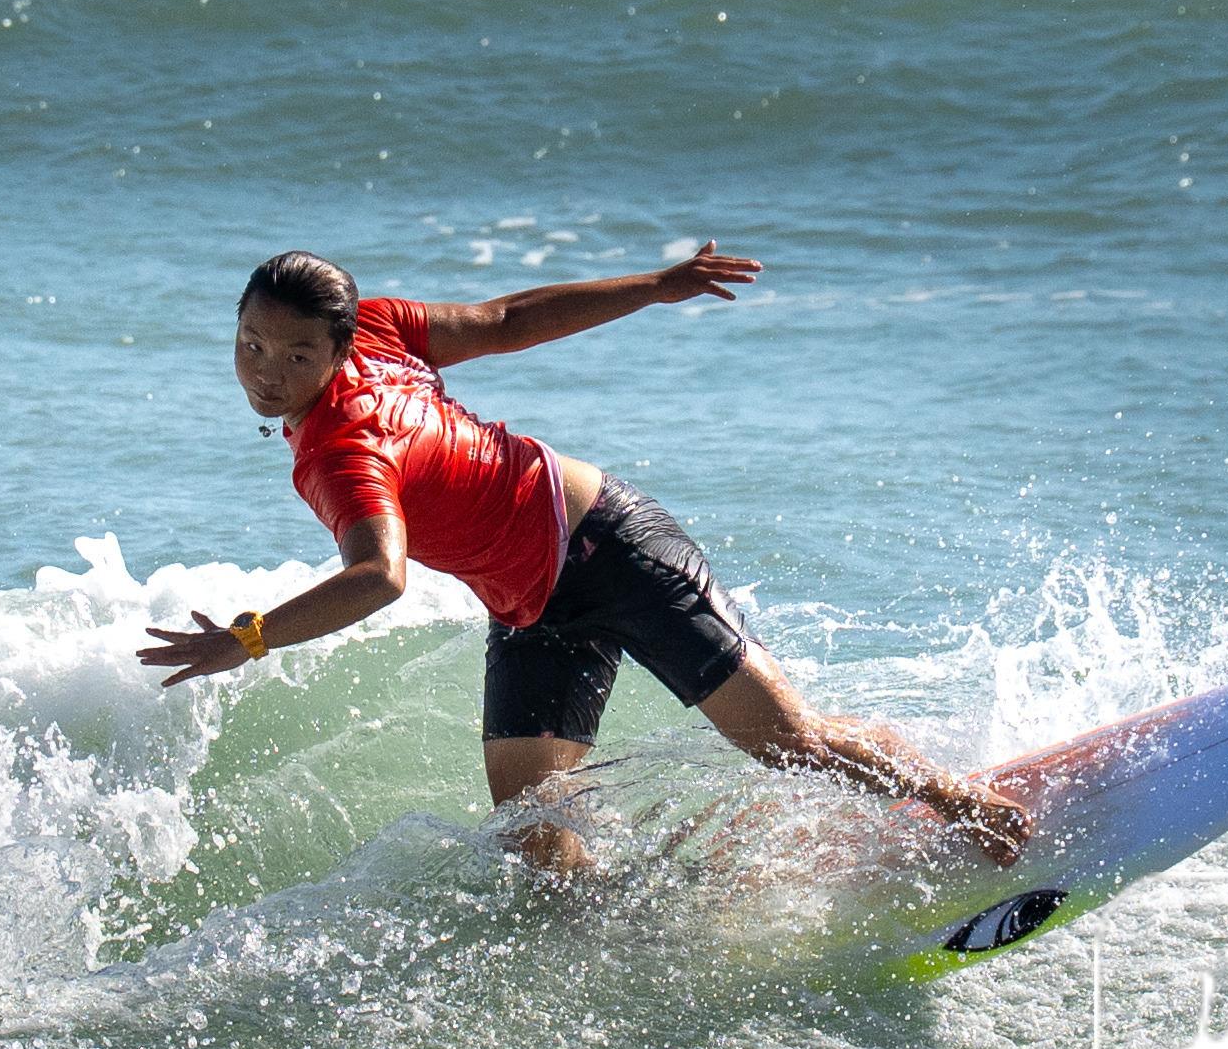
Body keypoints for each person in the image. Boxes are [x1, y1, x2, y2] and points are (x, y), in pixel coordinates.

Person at [137, 243, 1031, 879]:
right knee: (534, 836)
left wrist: (249, 638)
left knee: (787, 744)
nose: (268, 371)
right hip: (531, 604)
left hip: (610, 548)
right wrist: (657, 284)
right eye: (251, 344)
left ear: (338, 349)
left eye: (298, 355)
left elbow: (380, 574)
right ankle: (628, 931)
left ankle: (961, 801)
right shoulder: (374, 329)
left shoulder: (341, 450)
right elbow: (504, 320)